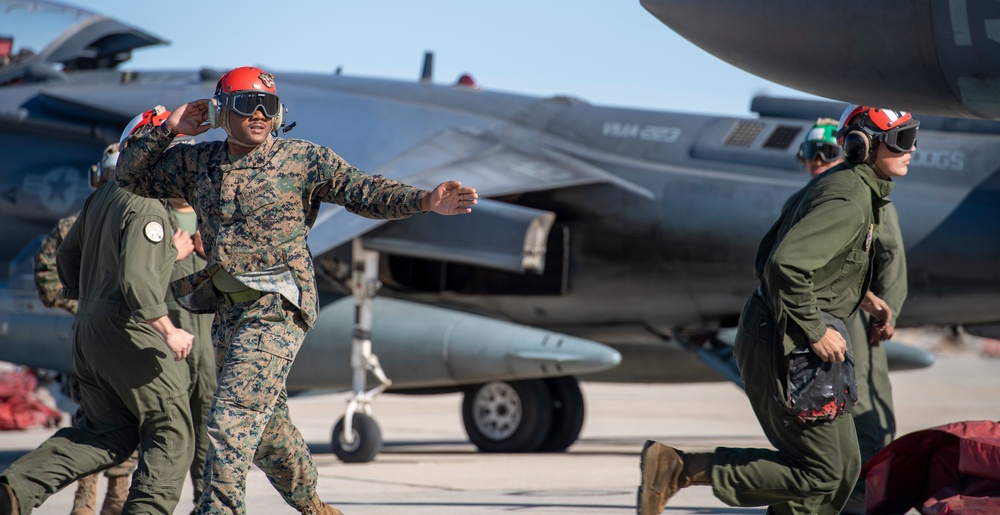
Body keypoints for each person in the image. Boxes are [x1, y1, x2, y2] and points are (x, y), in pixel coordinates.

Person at [113, 66, 479, 515]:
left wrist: (424, 200)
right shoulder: (197, 163)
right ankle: (313, 505)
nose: (260, 113)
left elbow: (362, 190)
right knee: (267, 432)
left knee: (231, 420)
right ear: (220, 110)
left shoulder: (304, 159)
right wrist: (170, 128)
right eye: (248, 104)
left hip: (278, 304)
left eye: (269, 105)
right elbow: (128, 175)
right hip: (227, 310)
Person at [637, 105, 919, 515]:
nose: (912, 149)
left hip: (797, 333)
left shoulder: (854, 190)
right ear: (864, 145)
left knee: (844, 468)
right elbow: (783, 265)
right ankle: (679, 469)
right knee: (822, 471)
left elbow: (773, 258)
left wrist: (862, 297)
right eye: (903, 141)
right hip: (789, 340)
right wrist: (815, 329)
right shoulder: (848, 197)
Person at [0, 116, 196, 515]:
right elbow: (138, 279)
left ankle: (15, 491)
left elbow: (67, 255)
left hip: (90, 333)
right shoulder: (148, 206)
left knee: (106, 433)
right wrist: (168, 329)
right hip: (133, 333)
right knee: (172, 434)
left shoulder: (103, 197)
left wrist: (91, 298)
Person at [795, 117, 908, 514]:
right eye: (810, 153)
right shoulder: (816, 195)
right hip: (823, 314)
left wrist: (886, 310)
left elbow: (890, 253)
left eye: (826, 152)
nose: (817, 161)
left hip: (856, 315)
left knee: (862, 399)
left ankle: (867, 492)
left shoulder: (861, 195)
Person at [31, 146, 139, 515]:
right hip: (125, 340)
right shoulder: (140, 220)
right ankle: (111, 501)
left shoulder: (75, 223)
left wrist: (77, 304)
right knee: (125, 422)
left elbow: (47, 277)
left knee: (93, 421)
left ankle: (88, 503)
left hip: (91, 341)